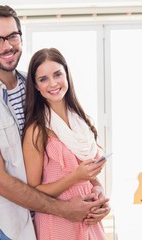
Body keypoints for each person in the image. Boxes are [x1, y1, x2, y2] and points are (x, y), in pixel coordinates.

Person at [0, 5, 110, 240]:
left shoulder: (36, 87)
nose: (7, 46)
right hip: (6, 224)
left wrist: (97, 191)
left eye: (12, 36)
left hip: (45, 216)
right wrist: (63, 209)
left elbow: (71, 154)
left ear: (21, 37)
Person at [22, 48, 108, 240]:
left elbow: (90, 177)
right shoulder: (36, 130)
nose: (52, 83)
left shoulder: (81, 121)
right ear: (36, 86)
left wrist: (100, 194)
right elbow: (33, 190)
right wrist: (75, 176)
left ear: (66, 75)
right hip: (58, 222)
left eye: (57, 74)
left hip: (89, 219)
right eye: (43, 79)